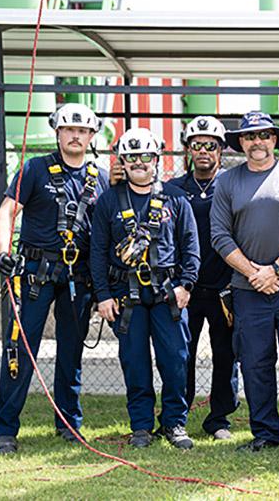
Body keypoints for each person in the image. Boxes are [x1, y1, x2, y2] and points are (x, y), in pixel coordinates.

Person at [0, 104, 109, 454]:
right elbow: (6, 213)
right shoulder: (33, 169)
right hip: (34, 276)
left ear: (91, 136)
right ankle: (6, 430)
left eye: (83, 130)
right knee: (20, 351)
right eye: (69, 129)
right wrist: (2, 253)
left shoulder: (100, 176)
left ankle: (69, 424)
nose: (76, 135)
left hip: (80, 277)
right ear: (57, 132)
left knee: (71, 354)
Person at [210, 111, 279, 461]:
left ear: (274, 140)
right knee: (255, 364)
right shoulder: (227, 182)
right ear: (241, 143)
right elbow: (219, 235)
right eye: (249, 136)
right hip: (247, 292)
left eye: (263, 135)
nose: (257, 142)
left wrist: (275, 269)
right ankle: (265, 434)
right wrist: (254, 274)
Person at [91, 127, 200, 449]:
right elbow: (97, 251)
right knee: (135, 364)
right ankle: (140, 426)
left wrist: (186, 285)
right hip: (126, 297)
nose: (139, 163)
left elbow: (190, 245)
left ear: (157, 159)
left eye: (146, 157)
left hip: (168, 295)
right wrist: (103, 295)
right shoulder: (108, 201)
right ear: (122, 161)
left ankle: (175, 423)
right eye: (131, 157)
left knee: (176, 361)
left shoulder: (176, 199)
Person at [165, 116, 239, 440]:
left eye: (211, 144)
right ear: (188, 149)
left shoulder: (234, 184)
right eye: (197, 144)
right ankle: (177, 417)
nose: (204, 150)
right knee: (182, 354)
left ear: (221, 149)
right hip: (186, 288)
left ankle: (219, 418)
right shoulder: (173, 189)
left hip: (225, 287)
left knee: (226, 355)